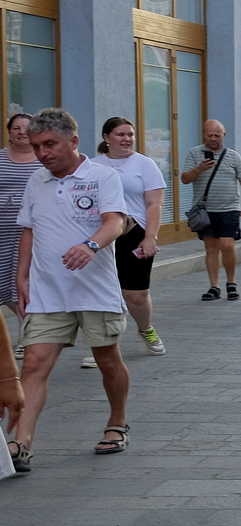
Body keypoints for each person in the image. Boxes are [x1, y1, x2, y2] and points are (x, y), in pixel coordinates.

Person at [5, 108, 132, 472]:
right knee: (34, 363)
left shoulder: (103, 176)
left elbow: (115, 221)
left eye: (49, 144)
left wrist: (90, 246)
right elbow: (29, 228)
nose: (42, 153)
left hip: (94, 290)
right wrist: (21, 276)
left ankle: (117, 422)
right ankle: (22, 443)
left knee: (107, 360)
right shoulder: (37, 180)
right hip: (48, 290)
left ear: (73, 141)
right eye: (36, 146)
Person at [92, 118, 167, 357]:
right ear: (106, 137)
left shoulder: (145, 164)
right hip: (102, 235)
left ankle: (146, 329)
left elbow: (155, 204)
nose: (127, 139)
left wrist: (150, 237)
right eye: (120, 134)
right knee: (102, 290)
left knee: (135, 294)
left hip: (135, 234)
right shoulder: (93, 165)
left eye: (130, 135)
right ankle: (102, 344)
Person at [180, 119, 241, 302]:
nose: (213, 138)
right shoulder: (194, 153)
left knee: (227, 246)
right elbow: (185, 179)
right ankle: (214, 286)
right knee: (211, 249)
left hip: (229, 208)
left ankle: (231, 282)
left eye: (217, 135)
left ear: (224, 135)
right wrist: (200, 168)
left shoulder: (233, 156)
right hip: (205, 210)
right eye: (210, 135)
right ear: (204, 135)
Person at [0, 113, 40, 323]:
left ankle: (28, 332)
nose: (22, 132)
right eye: (16, 128)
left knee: (27, 284)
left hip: (34, 234)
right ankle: (26, 326)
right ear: (9, 133)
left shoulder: (45, 160)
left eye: (27, 128)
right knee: (4, 285)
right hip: (3, 235)